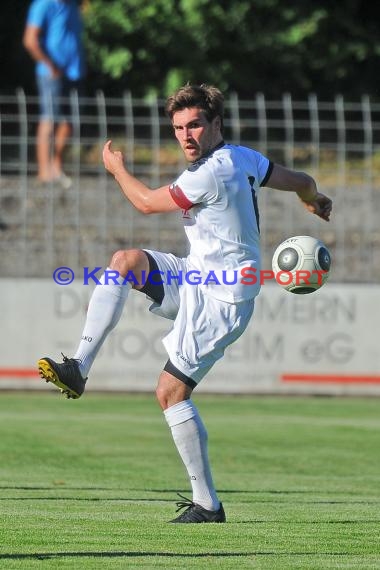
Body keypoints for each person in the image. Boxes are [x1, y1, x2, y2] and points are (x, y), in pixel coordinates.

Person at [38, 84, 332, 523]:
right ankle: (78, 367)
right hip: (195, 275)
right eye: (178, 127)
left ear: (216, 124)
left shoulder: (210, 172)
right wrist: (313, 199)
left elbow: (143, 203)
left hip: (223, 299)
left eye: (194, 124)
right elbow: (302, 180)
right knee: (126, 262)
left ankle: (207, 505)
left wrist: (116, 168)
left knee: (170, 392)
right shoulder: (244, 157)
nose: (186, 135)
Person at [23, 0, 86, 188]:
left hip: (74, 72)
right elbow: (30, 40)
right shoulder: (43, 5)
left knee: (70, 121)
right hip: (51, 74)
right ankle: (44, 172)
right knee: (49, 119)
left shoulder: (72, 5)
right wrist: (50, 65)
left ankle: (56, 166)